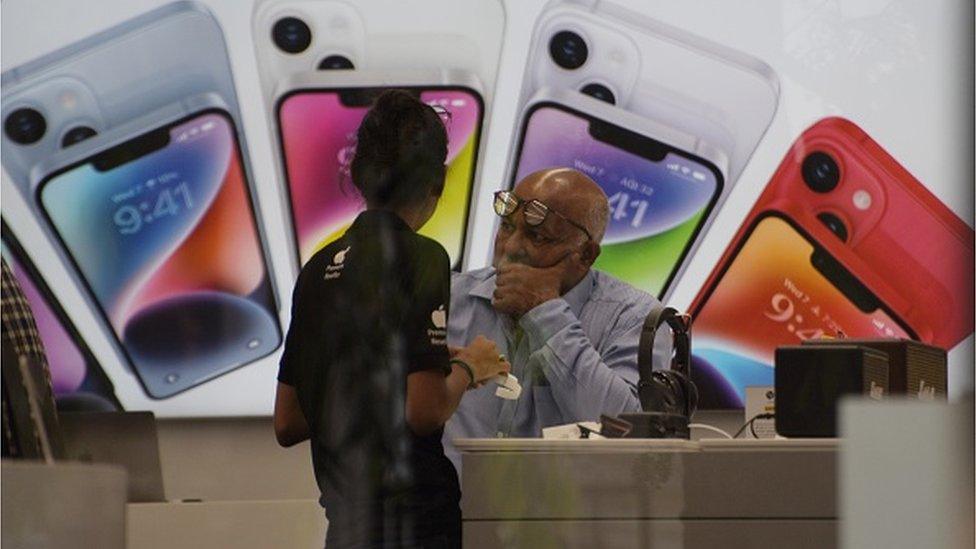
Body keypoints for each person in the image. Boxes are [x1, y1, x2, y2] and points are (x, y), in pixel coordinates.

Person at [273, 90, 510, 548]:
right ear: (437, 181)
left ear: (359, 175)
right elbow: (424, 412)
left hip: (345, 526)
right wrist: (469, 366)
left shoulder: (317, 267)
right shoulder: (423, 257)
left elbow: (289, 422)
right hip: (416, 526)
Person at [443, 167, 670, 469]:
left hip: (562, 515)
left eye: (537, 236)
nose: (510, 248)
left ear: (586, 255)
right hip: (448, 512)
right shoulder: (450, 298)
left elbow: (627, 434)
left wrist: (545, 311)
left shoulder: (634, 318)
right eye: (508, 227)